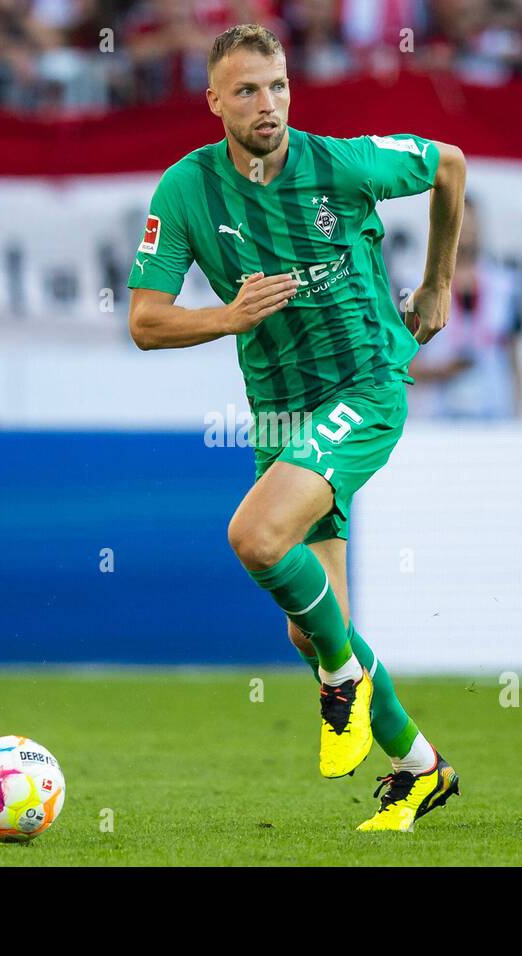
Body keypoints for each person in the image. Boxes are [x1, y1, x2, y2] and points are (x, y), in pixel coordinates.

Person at [126, 23, 464, 831]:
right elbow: (145, 321)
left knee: (254, 537)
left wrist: (438, 286)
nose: (267, 104)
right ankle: (420, 767)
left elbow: (448, 164)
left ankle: (344, 686)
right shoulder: (185, 191)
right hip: (279, 413)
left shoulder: (340, 164)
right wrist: (228, 316)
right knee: (311, 631)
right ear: (214, 102)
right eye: (246, 90)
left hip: (364, 386)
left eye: (276, 87)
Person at [409, 194, 522, 420]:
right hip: (433, 421)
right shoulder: (416, 286)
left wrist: (518, 417)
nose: (464, 235)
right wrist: (442, 371)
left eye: (469, 225)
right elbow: (401, 366)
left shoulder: (505, 285)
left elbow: (514, 360)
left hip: (493, 419)